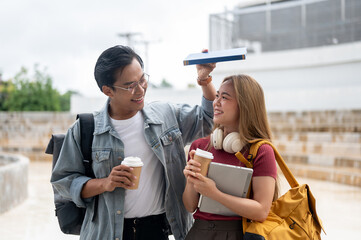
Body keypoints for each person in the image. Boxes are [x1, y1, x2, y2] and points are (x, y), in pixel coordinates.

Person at [51, 45, 217, 240]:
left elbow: (209, 120)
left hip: (157, 230)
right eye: (130, 85)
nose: (140, 90)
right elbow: (64, 182)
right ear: (108, 90)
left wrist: (204, 80)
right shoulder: (85, 129)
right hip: (107, 233)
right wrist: (105, 183)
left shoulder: (166, 116)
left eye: (142, 80)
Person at [182, 74, 279, 240]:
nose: (216, 102)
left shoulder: (261, 150)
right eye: (217, 96)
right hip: (199, 232)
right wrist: (192, 179)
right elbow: (190, 206)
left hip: (238, 234)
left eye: (224, 97)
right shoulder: (200, 147)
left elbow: (261, 211)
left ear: (245, 105)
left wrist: (214, 193)